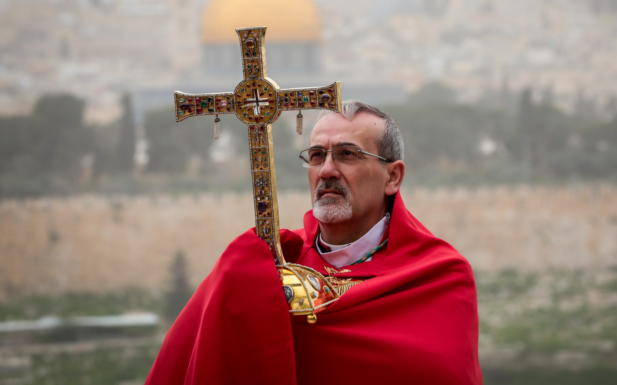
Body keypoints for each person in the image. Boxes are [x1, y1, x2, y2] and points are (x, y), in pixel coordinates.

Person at [145, 100, 482, 385]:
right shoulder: (260, 268)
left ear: (392, 177)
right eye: (318, 155)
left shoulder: (439, 276)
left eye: (347, 155)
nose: (327, 171)